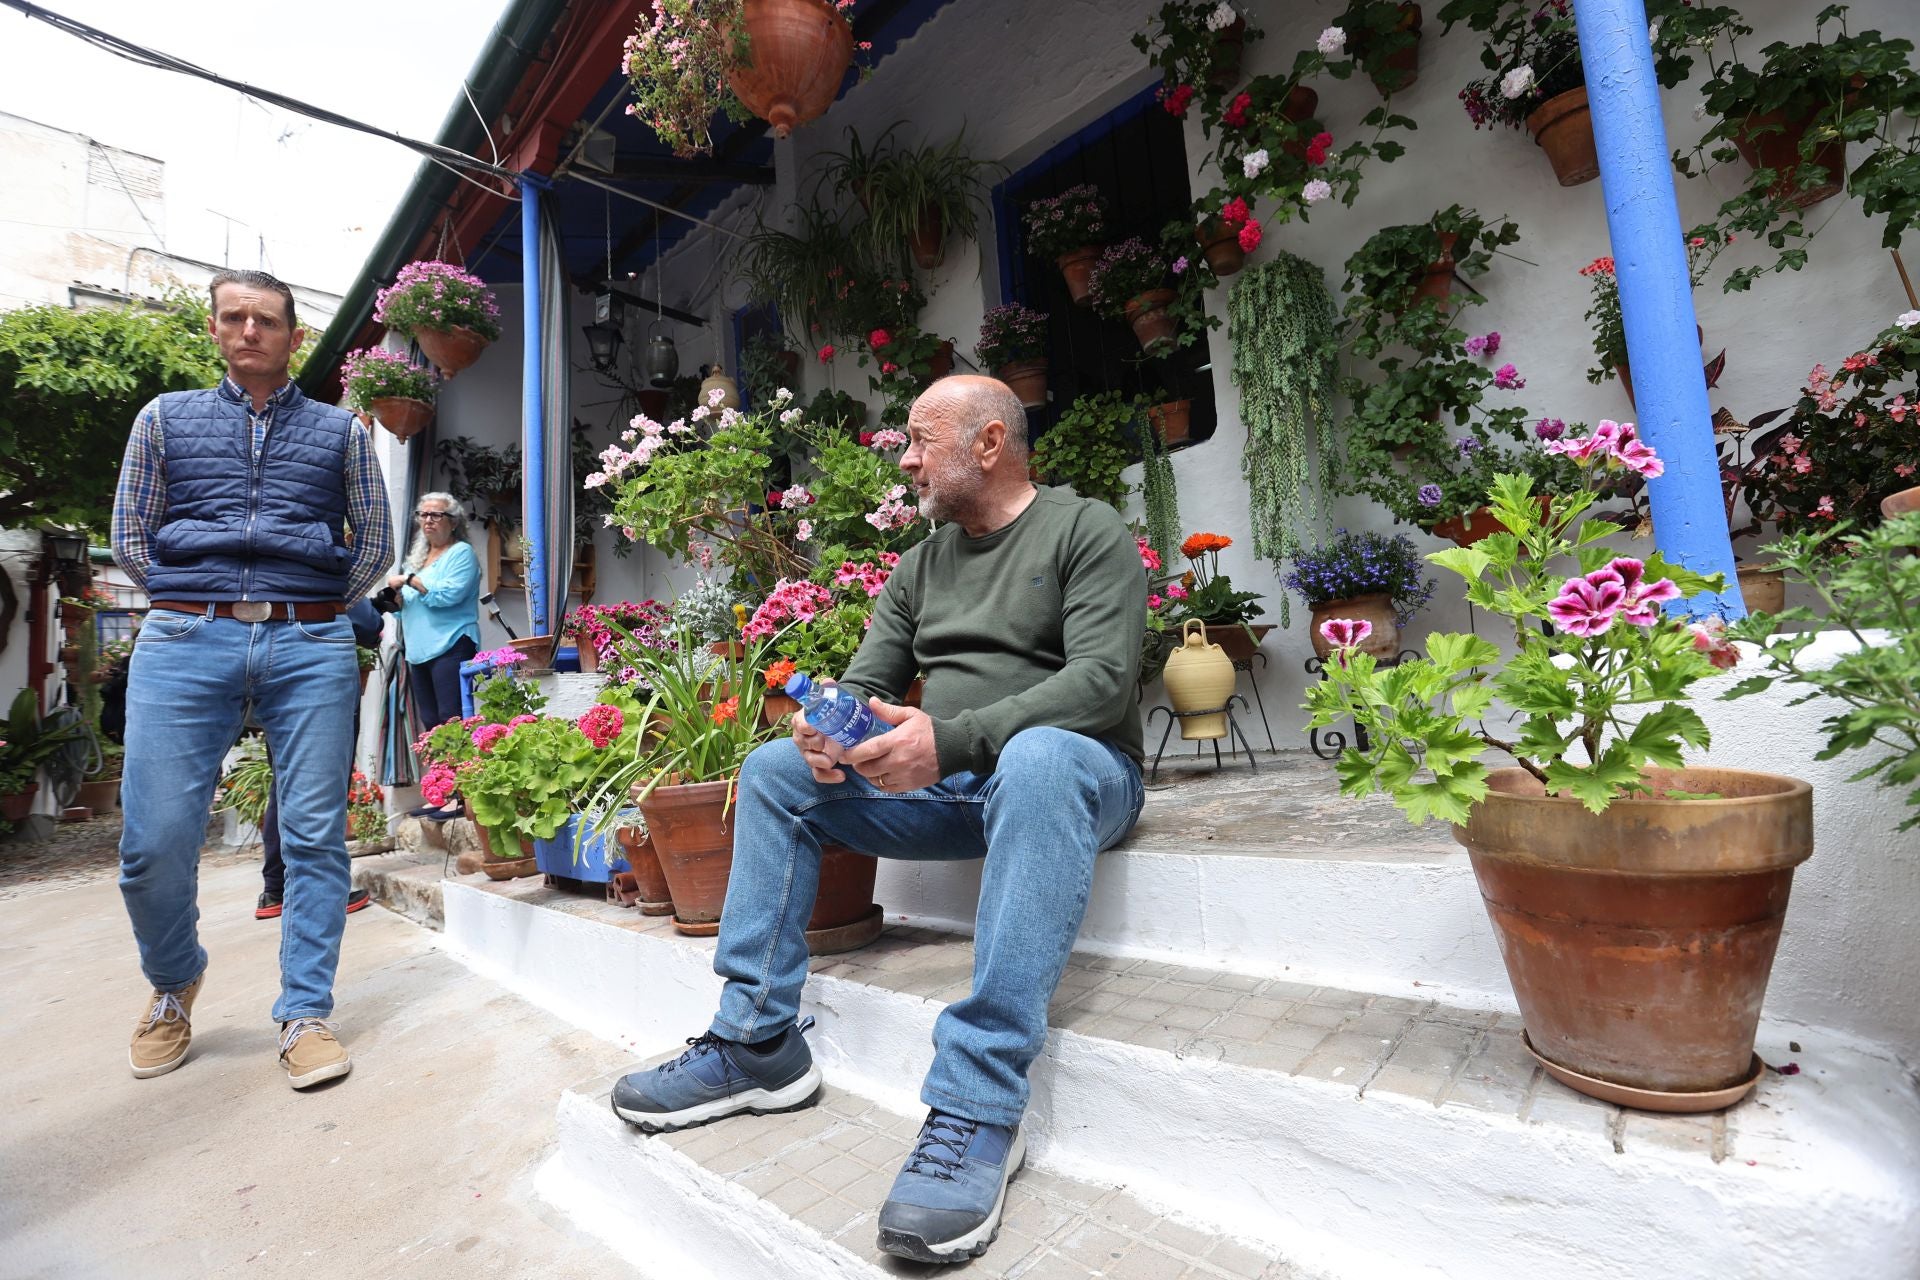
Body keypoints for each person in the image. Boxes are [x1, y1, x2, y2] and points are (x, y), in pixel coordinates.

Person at [609, 376, 1147, 1265]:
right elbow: (868, 680)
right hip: (956, 787)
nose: (903, 459)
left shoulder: (1083, 529)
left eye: (918, 439)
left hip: (1079, 776)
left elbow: (1101, 682)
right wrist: (831, 731)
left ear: (988, 443)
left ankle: (978, 1105)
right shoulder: (922, 562)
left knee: (1040, 755)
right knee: (777, 770)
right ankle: (756, 1044)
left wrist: (959, 738)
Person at [112, 269, 393, 1090]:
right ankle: (174, 982)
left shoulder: (340, 433)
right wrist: (185, 599)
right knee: (153, 842)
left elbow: (374, 542)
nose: (248, 331)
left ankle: (304, 1012)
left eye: (265, 320)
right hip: (184, 638)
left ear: (292, 337)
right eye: (233, 317)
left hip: (307, 641)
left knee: (312, 835)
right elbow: (131, 533)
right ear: (214, 330)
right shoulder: (165, 419)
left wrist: (313, 608)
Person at [255, 597, 385, 920]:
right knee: (323, 790)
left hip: (268, 682)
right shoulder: (314, 560)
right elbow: (368, 623)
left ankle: (275, 889)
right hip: (318, 683)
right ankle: (323, 895)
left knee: (282, 784)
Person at [388, 492, 480, 821]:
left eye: (436, 515)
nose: (428, 520)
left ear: (453, 522)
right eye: (423, 514)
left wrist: (411, 581)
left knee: (452, 717)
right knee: (431, 723)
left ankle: (461, 794)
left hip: (452, 642)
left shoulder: (461, 553)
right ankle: (441, 793)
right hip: (418, 649)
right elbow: (406, 611)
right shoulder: (417, 557)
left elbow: (449, 596)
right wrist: (396, 599)